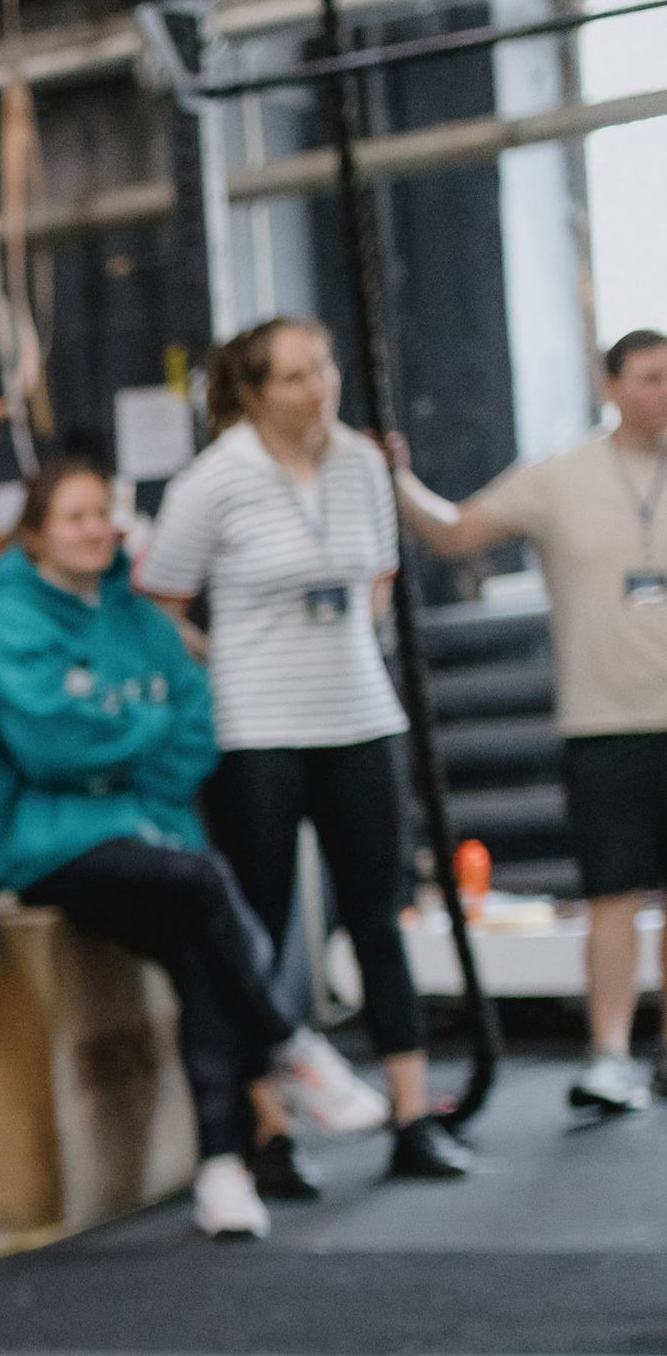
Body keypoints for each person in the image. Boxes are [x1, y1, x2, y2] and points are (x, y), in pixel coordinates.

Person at [0, 459, 387, 1241]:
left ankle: (223, 1171)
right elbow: (52, 745)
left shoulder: (140, 618)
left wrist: (119, 739)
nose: (97, 530)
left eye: (104, 513)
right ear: (35, 534)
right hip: (54, 850)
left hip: (151, 831)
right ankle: (290, 1042)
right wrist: (140, 729)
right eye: (75, 517)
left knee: (202, 953)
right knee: (201, 882)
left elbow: (195, 725)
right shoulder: (8, 624)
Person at [143, 315, 470, 1187]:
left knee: (379, 920)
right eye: (292, 377)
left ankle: (411, 1115)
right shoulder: (215, 481)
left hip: (361, 715)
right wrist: (223, 660)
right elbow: (161, 599)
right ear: (251, 393)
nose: (316, 387)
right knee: (259, 924)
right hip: (258, 730)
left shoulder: (367, 463)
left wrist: (345, 645)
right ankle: (270, 1131)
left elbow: (379, 575)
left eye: (322, 368)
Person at [393, 325, 667, 1113]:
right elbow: (454, 533)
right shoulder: (561, 476)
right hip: (604, 719)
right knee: (612, 894)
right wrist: (396, 478)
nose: (661, 392)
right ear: (610, 386)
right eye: (647, 377)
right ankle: (610, 1053)